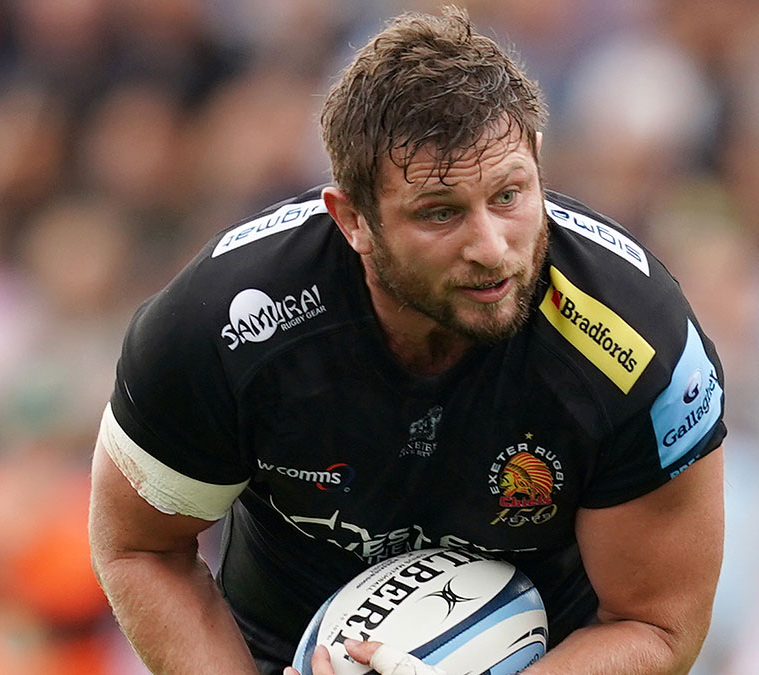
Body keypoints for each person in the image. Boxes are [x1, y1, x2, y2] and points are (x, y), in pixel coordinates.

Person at [88, 7, 726, 675]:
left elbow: (654, 623)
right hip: (274, 651)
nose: (491, 248)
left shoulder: (637, 345)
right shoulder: (219, 326)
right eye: (440, 212)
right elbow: (140, 546)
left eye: (509, 195)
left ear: (537, 160)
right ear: (353, 219)